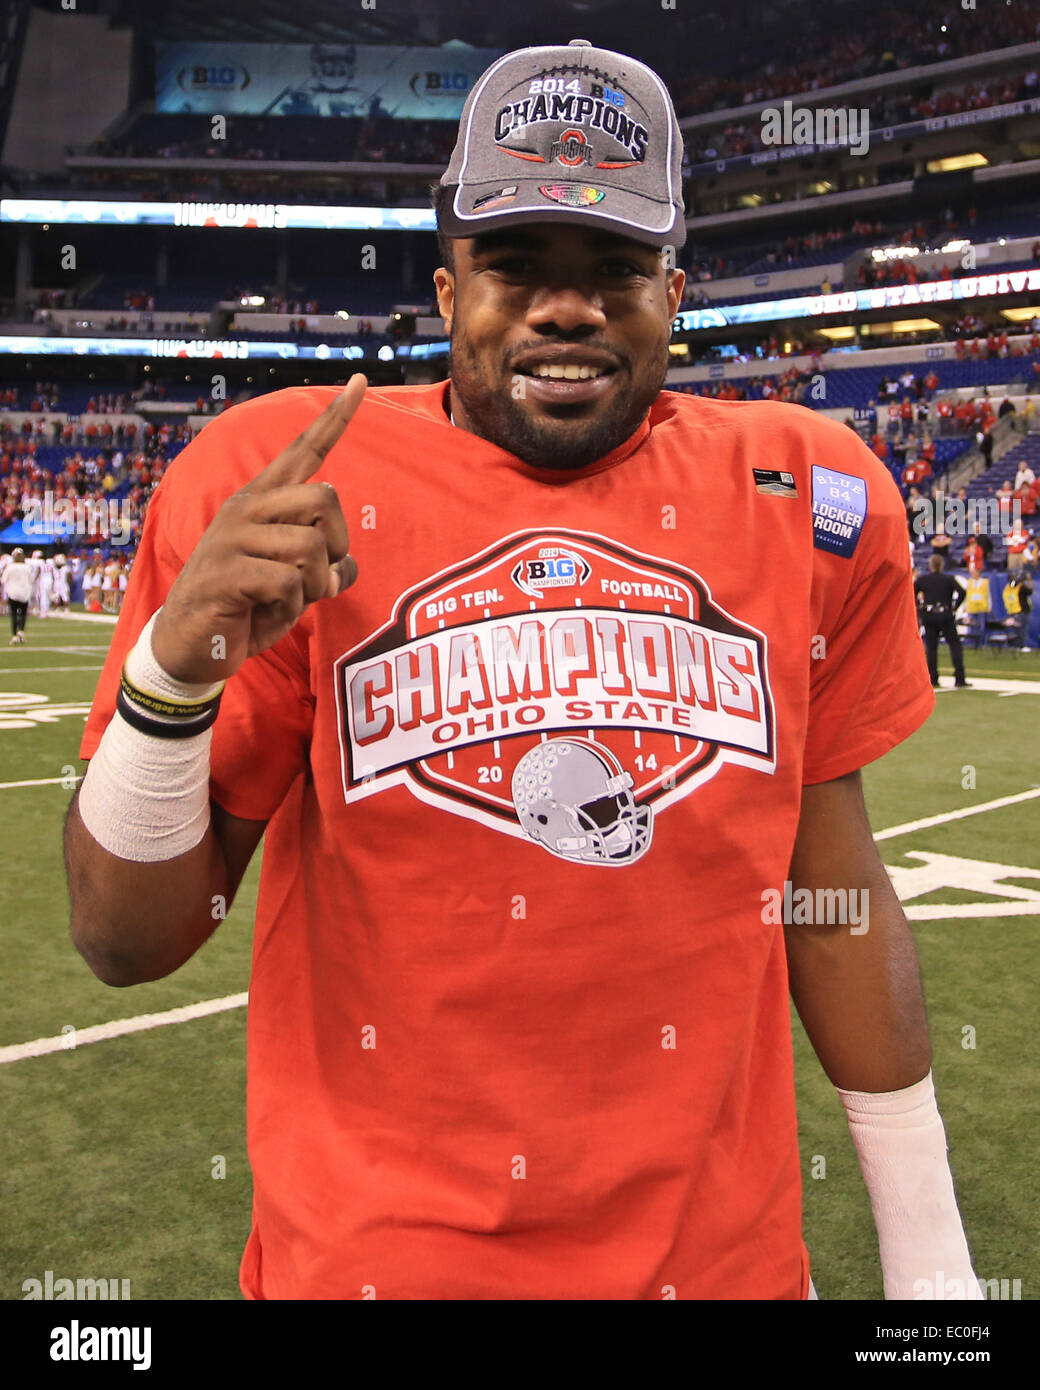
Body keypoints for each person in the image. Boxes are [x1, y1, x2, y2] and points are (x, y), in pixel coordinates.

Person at [65, 39, 982, 1304]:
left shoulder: (806, 491)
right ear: (447, 292)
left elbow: (827, 891)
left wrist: (932, 1268)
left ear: (675, 289)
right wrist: (174, 679)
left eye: (613, 267)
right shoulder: (280, 479)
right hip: (373, 1270)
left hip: (718, 1271)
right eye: (515, 265)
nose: (567, 306)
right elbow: (126, 941)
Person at [914, 555, 969, 687]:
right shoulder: (948, 579)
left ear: (931, 565)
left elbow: (911, 591)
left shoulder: (924, 580)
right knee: (955, 645)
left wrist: (919, 606)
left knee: (932, 648)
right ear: (942, 565)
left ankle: (933, 678)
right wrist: (954, 607)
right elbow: (962, 592)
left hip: (929, 615)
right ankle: (959, 678)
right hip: (945, 614)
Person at [2, 545, 32, 644]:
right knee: (23, 614)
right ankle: (21, 631)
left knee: (14, 615)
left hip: (13, 593)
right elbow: (31, 580)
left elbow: (3, 580)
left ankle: (15, 634)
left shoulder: (10, 567)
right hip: (25, 593)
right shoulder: (27, 567)